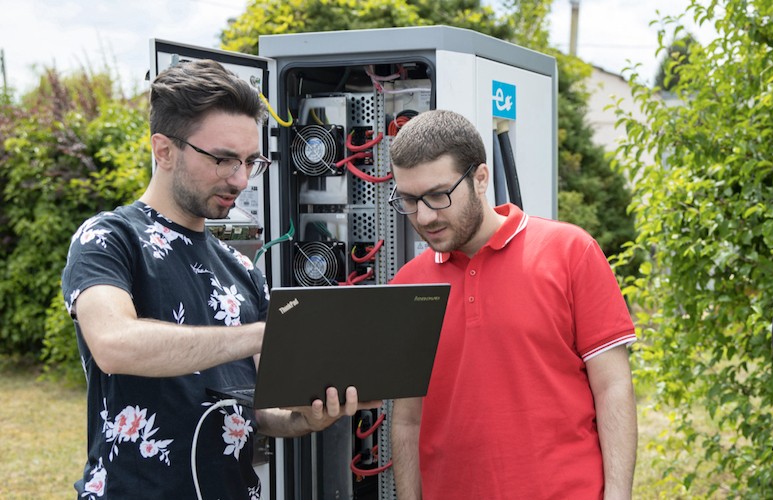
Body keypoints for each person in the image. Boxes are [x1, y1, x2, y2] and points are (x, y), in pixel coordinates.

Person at [61, 59, 375, 499]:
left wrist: (307, 419)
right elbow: (114, 344)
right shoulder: (108, 238)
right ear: (164, 150)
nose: (241, 180)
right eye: (224, 160)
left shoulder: (242, 270)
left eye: (251, 162)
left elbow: (264, 411)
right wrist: (261, 335)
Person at [387, 109, 638, 499]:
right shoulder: (406, 285)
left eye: (438, 196)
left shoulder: (570, 252)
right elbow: (407, 420)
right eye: (409, 200)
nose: (424, 216)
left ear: (481, 178)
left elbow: (613, 387)